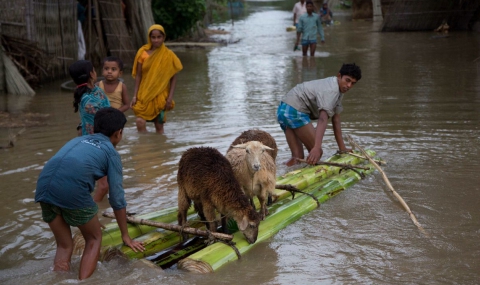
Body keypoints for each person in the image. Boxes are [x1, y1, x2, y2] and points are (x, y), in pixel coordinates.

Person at [34, 107, 145, 280]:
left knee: (64, 245)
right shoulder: (111, 153)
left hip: (43, 187)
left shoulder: (78, 140)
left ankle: (58, 280)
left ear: (93, 128)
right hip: (71, 191)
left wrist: (91, 215)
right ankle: (83, 282)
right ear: (118, 133)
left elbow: (70, 174)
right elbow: (117, 199)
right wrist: (126, 236)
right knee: (93, 239)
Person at [276, 63, 362, 166]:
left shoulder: (336, 88)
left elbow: (336, 120)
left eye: (353, 83)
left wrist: (342, 148)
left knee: (297, 157)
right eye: (347, 80)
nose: (349, 86)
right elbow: (322, 119)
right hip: (294, 111)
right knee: (316, 153)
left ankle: (278, 174)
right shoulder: (331, 90)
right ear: (339, 76)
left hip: (284, 109)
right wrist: (316, 147)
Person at [70, 60, 110, 202]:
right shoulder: (89, 100)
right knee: (104, 185)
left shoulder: (94, 91)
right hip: (96, 145)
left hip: (100, 142)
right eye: (94, 69)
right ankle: (93, 212)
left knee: (104, 183)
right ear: (91, 74)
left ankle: (102, 208)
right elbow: (102, 121)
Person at [131, 24, 183, 134]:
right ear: (149, 38)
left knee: (159, 126)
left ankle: (160, 148)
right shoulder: (142, 53)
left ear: (163, 38)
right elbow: (138, 75)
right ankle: (145, 147)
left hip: (161, 95)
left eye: (159, 37)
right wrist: (135, 95)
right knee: (140, 121)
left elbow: (173, 78)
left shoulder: (168, 55)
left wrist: (170, 98)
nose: (156, 40)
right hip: (144, 93)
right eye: (153, 37)